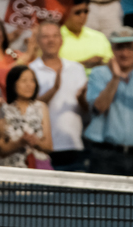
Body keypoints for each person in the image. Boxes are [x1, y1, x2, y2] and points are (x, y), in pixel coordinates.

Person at [84, 26, 133, 176]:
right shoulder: (98, 74)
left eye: (129, 48)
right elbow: (99, 107)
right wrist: (115, 78)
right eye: (120, 48)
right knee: (102, 200)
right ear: (112, 49)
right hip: (105, 154)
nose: (125, 53)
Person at [28, 21, 87, 168]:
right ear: (38, 41)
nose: (51, 40)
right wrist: (54, 90)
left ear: (61, 40)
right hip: (42, 147)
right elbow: (30, 108)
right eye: (45, 36)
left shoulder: (77, 69)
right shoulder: (30, 71)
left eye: (55, 36)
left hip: (74, 143)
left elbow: (86, 108)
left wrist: (82, 98)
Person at [57, 0, 114, 71]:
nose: (83, 16)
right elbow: (50, 68)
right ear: (64, 11)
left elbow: (112, 63)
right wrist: (83, 64)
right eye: (77, 12)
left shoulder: (99, 37)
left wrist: (101, 64)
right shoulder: (54, 38)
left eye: (86, 11)